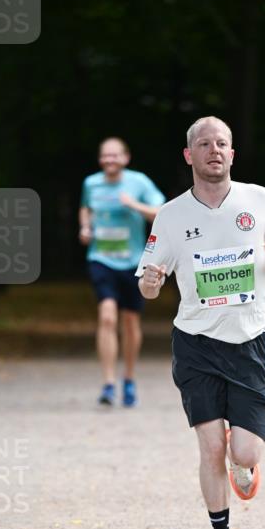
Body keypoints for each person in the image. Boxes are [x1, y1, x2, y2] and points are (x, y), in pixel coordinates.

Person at [137, 116, 265, 529]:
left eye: (222, 144)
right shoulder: (171, 215)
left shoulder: (257, 199)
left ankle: (243, 461)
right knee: (210, 449)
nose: (214, 151)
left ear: (232, 153)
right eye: (204, 144)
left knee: (243, 452)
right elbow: (148, 283)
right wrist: (151, 282)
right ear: (189, 155)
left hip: (249, 340)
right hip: (197, 344)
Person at [79, 137, 165, 406]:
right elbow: (86, 208)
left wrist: (133, 205)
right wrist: (85, 227)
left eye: (114, 155)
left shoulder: (139, 182)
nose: (109, 160)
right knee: (106, 317)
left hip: (133, 262)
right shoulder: (91, 183)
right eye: (105, 155)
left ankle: (128, 378)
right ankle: (108, 384)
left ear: (126, 158)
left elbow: (161, 212)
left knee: (130, 321)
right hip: (101, 258)